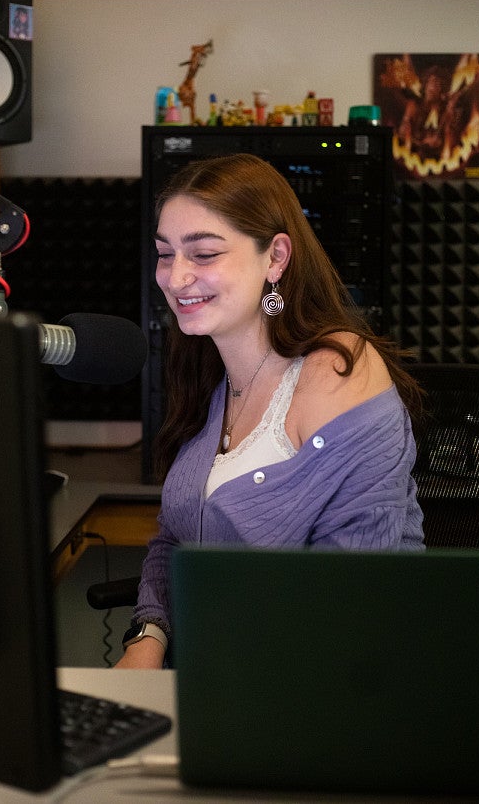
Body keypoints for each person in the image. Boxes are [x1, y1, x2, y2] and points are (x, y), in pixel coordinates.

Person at [115, 153, 424, 669]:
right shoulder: (208, 374)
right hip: (209, 681)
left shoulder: (339, 371)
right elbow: (176, 538)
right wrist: (148, 637)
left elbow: (357, 598)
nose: (175, 276)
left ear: (276, 258)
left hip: (321, 692)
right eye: (165, 254)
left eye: (205, 253)